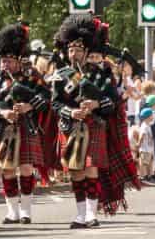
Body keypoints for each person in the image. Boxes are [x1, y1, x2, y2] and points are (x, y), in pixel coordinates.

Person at [50, 14, 140, 229]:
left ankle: (91, 214)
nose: (74, 54)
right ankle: (80, 215)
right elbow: (55, 104)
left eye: (78, 50)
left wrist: (96, 105)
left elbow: (113, 101)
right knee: (76, 171)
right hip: (71, 127)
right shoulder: (61, 76)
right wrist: (71, 113)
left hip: (94, 126)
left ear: (87, 51)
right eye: (71, 50)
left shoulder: (100, 75)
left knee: (90, 168)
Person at [0, 21, 52, 225]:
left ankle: (25, 211)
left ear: (17, 60)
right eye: (3, 60)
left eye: (8, 61)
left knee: (25, 168)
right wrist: (3, 112)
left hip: (27, 126)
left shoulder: (30, 75)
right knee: (6, 170)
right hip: (4, 129)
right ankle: (11, 211)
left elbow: (47, 96)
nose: (5, 65)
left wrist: (29, 107)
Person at [132, 108, 155, 180]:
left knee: (148, 163)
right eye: (152, 115)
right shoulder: (144, 126)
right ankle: (143, 175)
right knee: (143, 163)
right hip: (145, 148)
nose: (153, 116)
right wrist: (139, 144)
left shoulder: (148, 125)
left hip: (149, 149)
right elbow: (142, 135)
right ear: (148, 117)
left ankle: (149, 175)